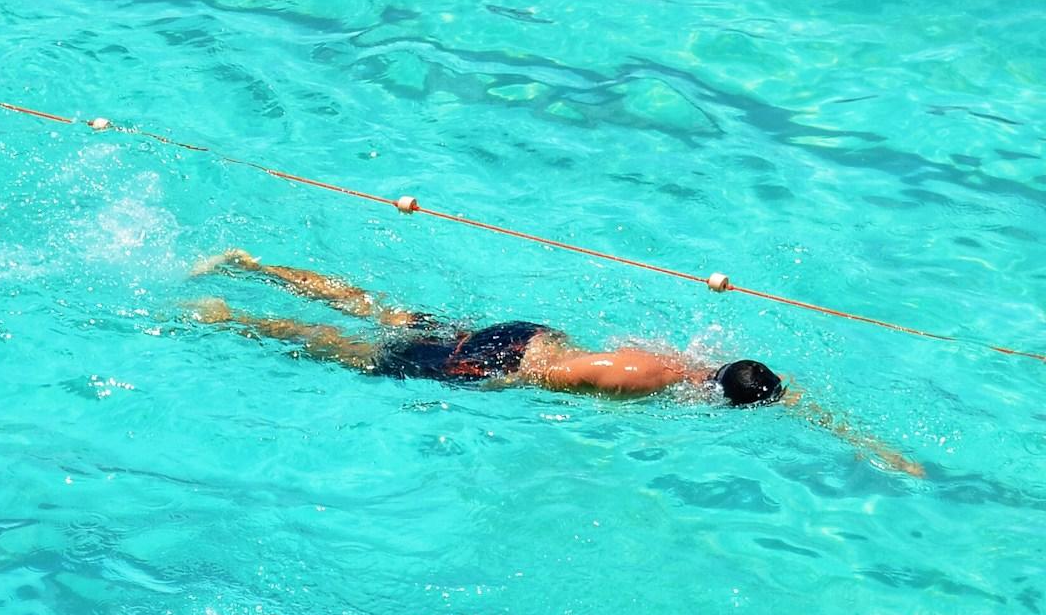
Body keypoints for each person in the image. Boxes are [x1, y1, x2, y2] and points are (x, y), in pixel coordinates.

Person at [190, 249, 923, 475]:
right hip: (498, 365)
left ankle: (252, 265)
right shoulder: (654, 389)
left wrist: (869, 444)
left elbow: (782, 395)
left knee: (387, 313)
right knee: (357, 353)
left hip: (525, 335)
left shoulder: (688, 363)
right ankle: (239, 318)